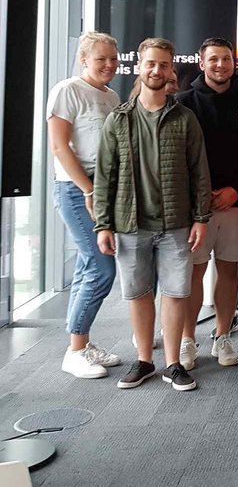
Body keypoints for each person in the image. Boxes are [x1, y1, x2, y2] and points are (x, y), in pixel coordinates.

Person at [94, 37, 211, 392]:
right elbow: (105, 174)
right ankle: (144, 360)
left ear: (171, 69)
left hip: (175, 223)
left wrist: (201, 217)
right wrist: (103, 225)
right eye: (151, 64)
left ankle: (173, 363)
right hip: (130, 223)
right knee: (139, 294)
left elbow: (199, 171)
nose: (157, 70)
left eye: (164, 65)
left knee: (176, 293)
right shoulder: (118, 119)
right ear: (140, 67)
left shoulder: (185, 118)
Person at [176, 38, 238, 370]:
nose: (220, 65)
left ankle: (222, 335)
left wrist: (236, 191)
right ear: (202, 63)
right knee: (192, 274)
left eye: (226, 59)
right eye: (214, 60)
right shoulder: (183, 103)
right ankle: (186, 338)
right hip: (198, 208)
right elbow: (179, 158)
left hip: (236, 203)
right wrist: (202, 195)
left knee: (229, 269)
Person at [48, 31, 123, 379]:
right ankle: (75, 350)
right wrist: (89, 190)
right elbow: (61, 147)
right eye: (101, 59)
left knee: (85, 266)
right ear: (83, 60)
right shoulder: (67, 91)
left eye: (113, 57)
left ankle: (81, 341)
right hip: (77, 190)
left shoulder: (111, 96)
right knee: (100, 267)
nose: (109, 64)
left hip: (104, 190)